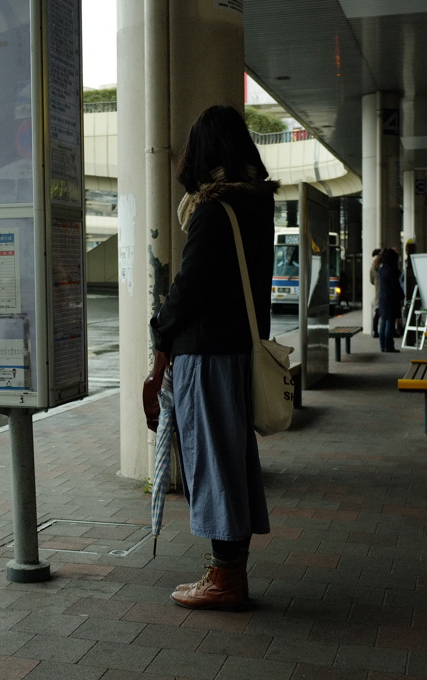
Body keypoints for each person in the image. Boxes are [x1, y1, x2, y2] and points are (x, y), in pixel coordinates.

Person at [143, 104, 278, 609]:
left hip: (210, 355)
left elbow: (187, 288)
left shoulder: (215, 211)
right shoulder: (256, 206)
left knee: (213, 463)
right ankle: (229, 573)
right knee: (233, 461)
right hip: (239, 351)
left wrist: (159, 342)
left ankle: (225, 580)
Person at [376, 248, 404, 352]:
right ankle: (389, 346)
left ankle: (383, 346)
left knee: (383, 322)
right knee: (390, 323)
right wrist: (402, 295)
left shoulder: (381, 268)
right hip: (391, 299)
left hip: (383, 298)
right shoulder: (391, 269)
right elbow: (395, 285)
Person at [369, 248, 381, 338]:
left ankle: (374, 331)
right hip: (382, 291)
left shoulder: (373, 267)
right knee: (380, 313)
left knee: (377, 311)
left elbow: (371, 280)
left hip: (377, 291)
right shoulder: (382, 266)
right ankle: (376, 331)